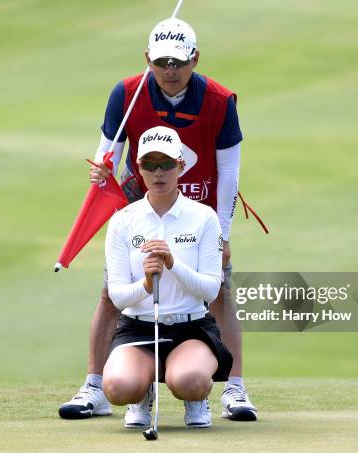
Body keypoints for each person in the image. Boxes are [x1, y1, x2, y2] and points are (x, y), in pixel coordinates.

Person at [59, 17, 257, 425]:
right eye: (162, 61)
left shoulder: (220, 100)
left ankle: (234, 389)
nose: (170, 70)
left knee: (220, 292)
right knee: (111, 292)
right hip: (140, 194)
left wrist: (221, 232)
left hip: (198, 202)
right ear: (148, 58)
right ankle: (94, 386)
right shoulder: (128, 93)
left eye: (179, 62)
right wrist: (103, 169)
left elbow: (230, 172)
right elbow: (109, 150)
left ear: (195, 59)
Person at [103, 126, 232, 429]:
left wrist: (173, 263)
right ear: (139, 169)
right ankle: (141, 393)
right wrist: (146, 284)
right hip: (138, 328)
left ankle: (195, 398)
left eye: (166, 164)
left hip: (191, 328)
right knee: (119, 388)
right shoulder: (123, 221)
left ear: (181, 166)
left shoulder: (204, 217)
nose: (158, 172)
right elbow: (118, 296)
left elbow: (211, 290)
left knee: (189, 380)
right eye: (149, 165)